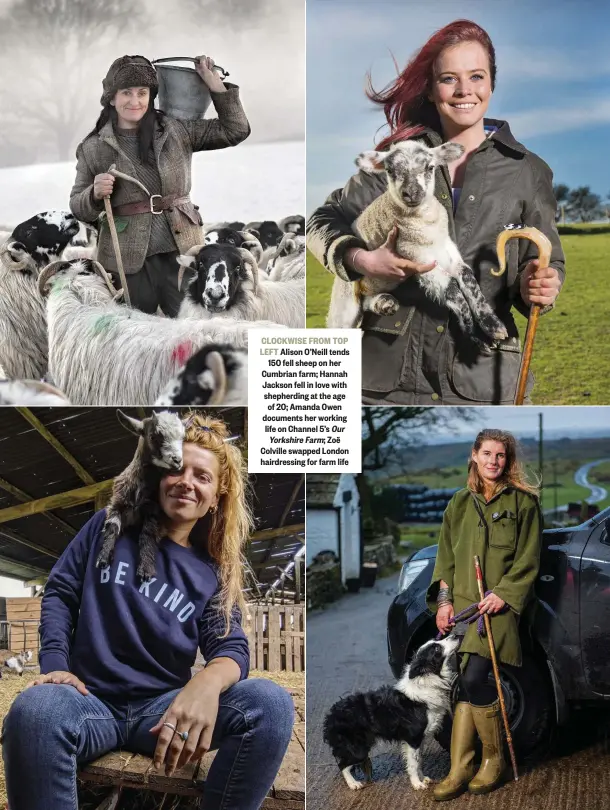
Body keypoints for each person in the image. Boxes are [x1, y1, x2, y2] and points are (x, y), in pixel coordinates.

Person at [1, 413, 294, 810]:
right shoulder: (108, 526)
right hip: (88, 701)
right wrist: (55, 664)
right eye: (176, 468)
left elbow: (232, 648)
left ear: (217, 495)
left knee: (270, 704)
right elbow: (60, 592)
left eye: (202, 476)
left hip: (161, 712)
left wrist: (204, 685)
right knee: (34, 711)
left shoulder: (211, 571)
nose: (186, 481)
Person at [307, 20, 564, 405]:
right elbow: (321, 222)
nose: (465, 91)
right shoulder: (396, 159)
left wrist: (542, 286)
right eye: (449, 78)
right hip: (380, 380)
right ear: (430, 88)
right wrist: (360, 258)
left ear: (492, 82)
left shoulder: (528, 171)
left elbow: (546, 261)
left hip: (481, 379)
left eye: (476, 76)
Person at [70, 54, 250, 316]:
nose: (135, 101)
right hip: (126, 257)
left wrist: (214, 86)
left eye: (142, 93)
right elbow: (78, 206)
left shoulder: (176, 130)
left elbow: (236, 129)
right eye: (126, 93)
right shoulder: (93, 148)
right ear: (112, 98)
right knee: (135, 334)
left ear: (151, 96)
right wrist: (94, 193)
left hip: (181, 251)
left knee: (190, 329)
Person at [426, 428, 542, 800]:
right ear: (474, 455)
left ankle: (493, 762)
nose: (494, 461)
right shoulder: (458, 504)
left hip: (500, 608)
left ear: (508, 461)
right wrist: (444, 602)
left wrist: (504, 594)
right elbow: (444, 561)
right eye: (487, 453)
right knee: (466, 682)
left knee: (477, 676)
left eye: (501, 455)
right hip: (464, 608)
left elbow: (528, 559)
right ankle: (459, 769)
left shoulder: (524, 504)